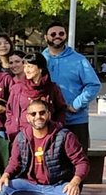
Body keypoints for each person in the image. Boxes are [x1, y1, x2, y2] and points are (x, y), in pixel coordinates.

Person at [0, 99, 88, 195]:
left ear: (48, 114)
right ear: (27, 117)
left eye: (42, 113)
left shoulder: (64, 136)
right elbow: (14, 162)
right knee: (1, 190)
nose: (38, 117)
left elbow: (81, 162)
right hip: (31, 185)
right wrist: (5, 176)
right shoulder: (22, 138)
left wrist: (75, 182)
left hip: (57, 186)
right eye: (33, 114)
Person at [40, 22, 101, 153]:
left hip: (75, 121)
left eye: (61, 33)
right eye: (53, 34)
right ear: (46, 37)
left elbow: (94, 85)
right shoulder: (40, 60)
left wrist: (76, 104)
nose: (57, 36)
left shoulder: (79, 60)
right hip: (47, 122)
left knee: (78, 162)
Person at [6, 55, 68, 139]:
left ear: (40, 68)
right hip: (22, 135)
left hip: (47, 134)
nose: (26, 70)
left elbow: (61, 109)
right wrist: (11, 128)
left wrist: (57, 126)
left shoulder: (52, 88)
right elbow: (10, 111)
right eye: (25, 67)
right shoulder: (17, 88)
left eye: (30, 67)